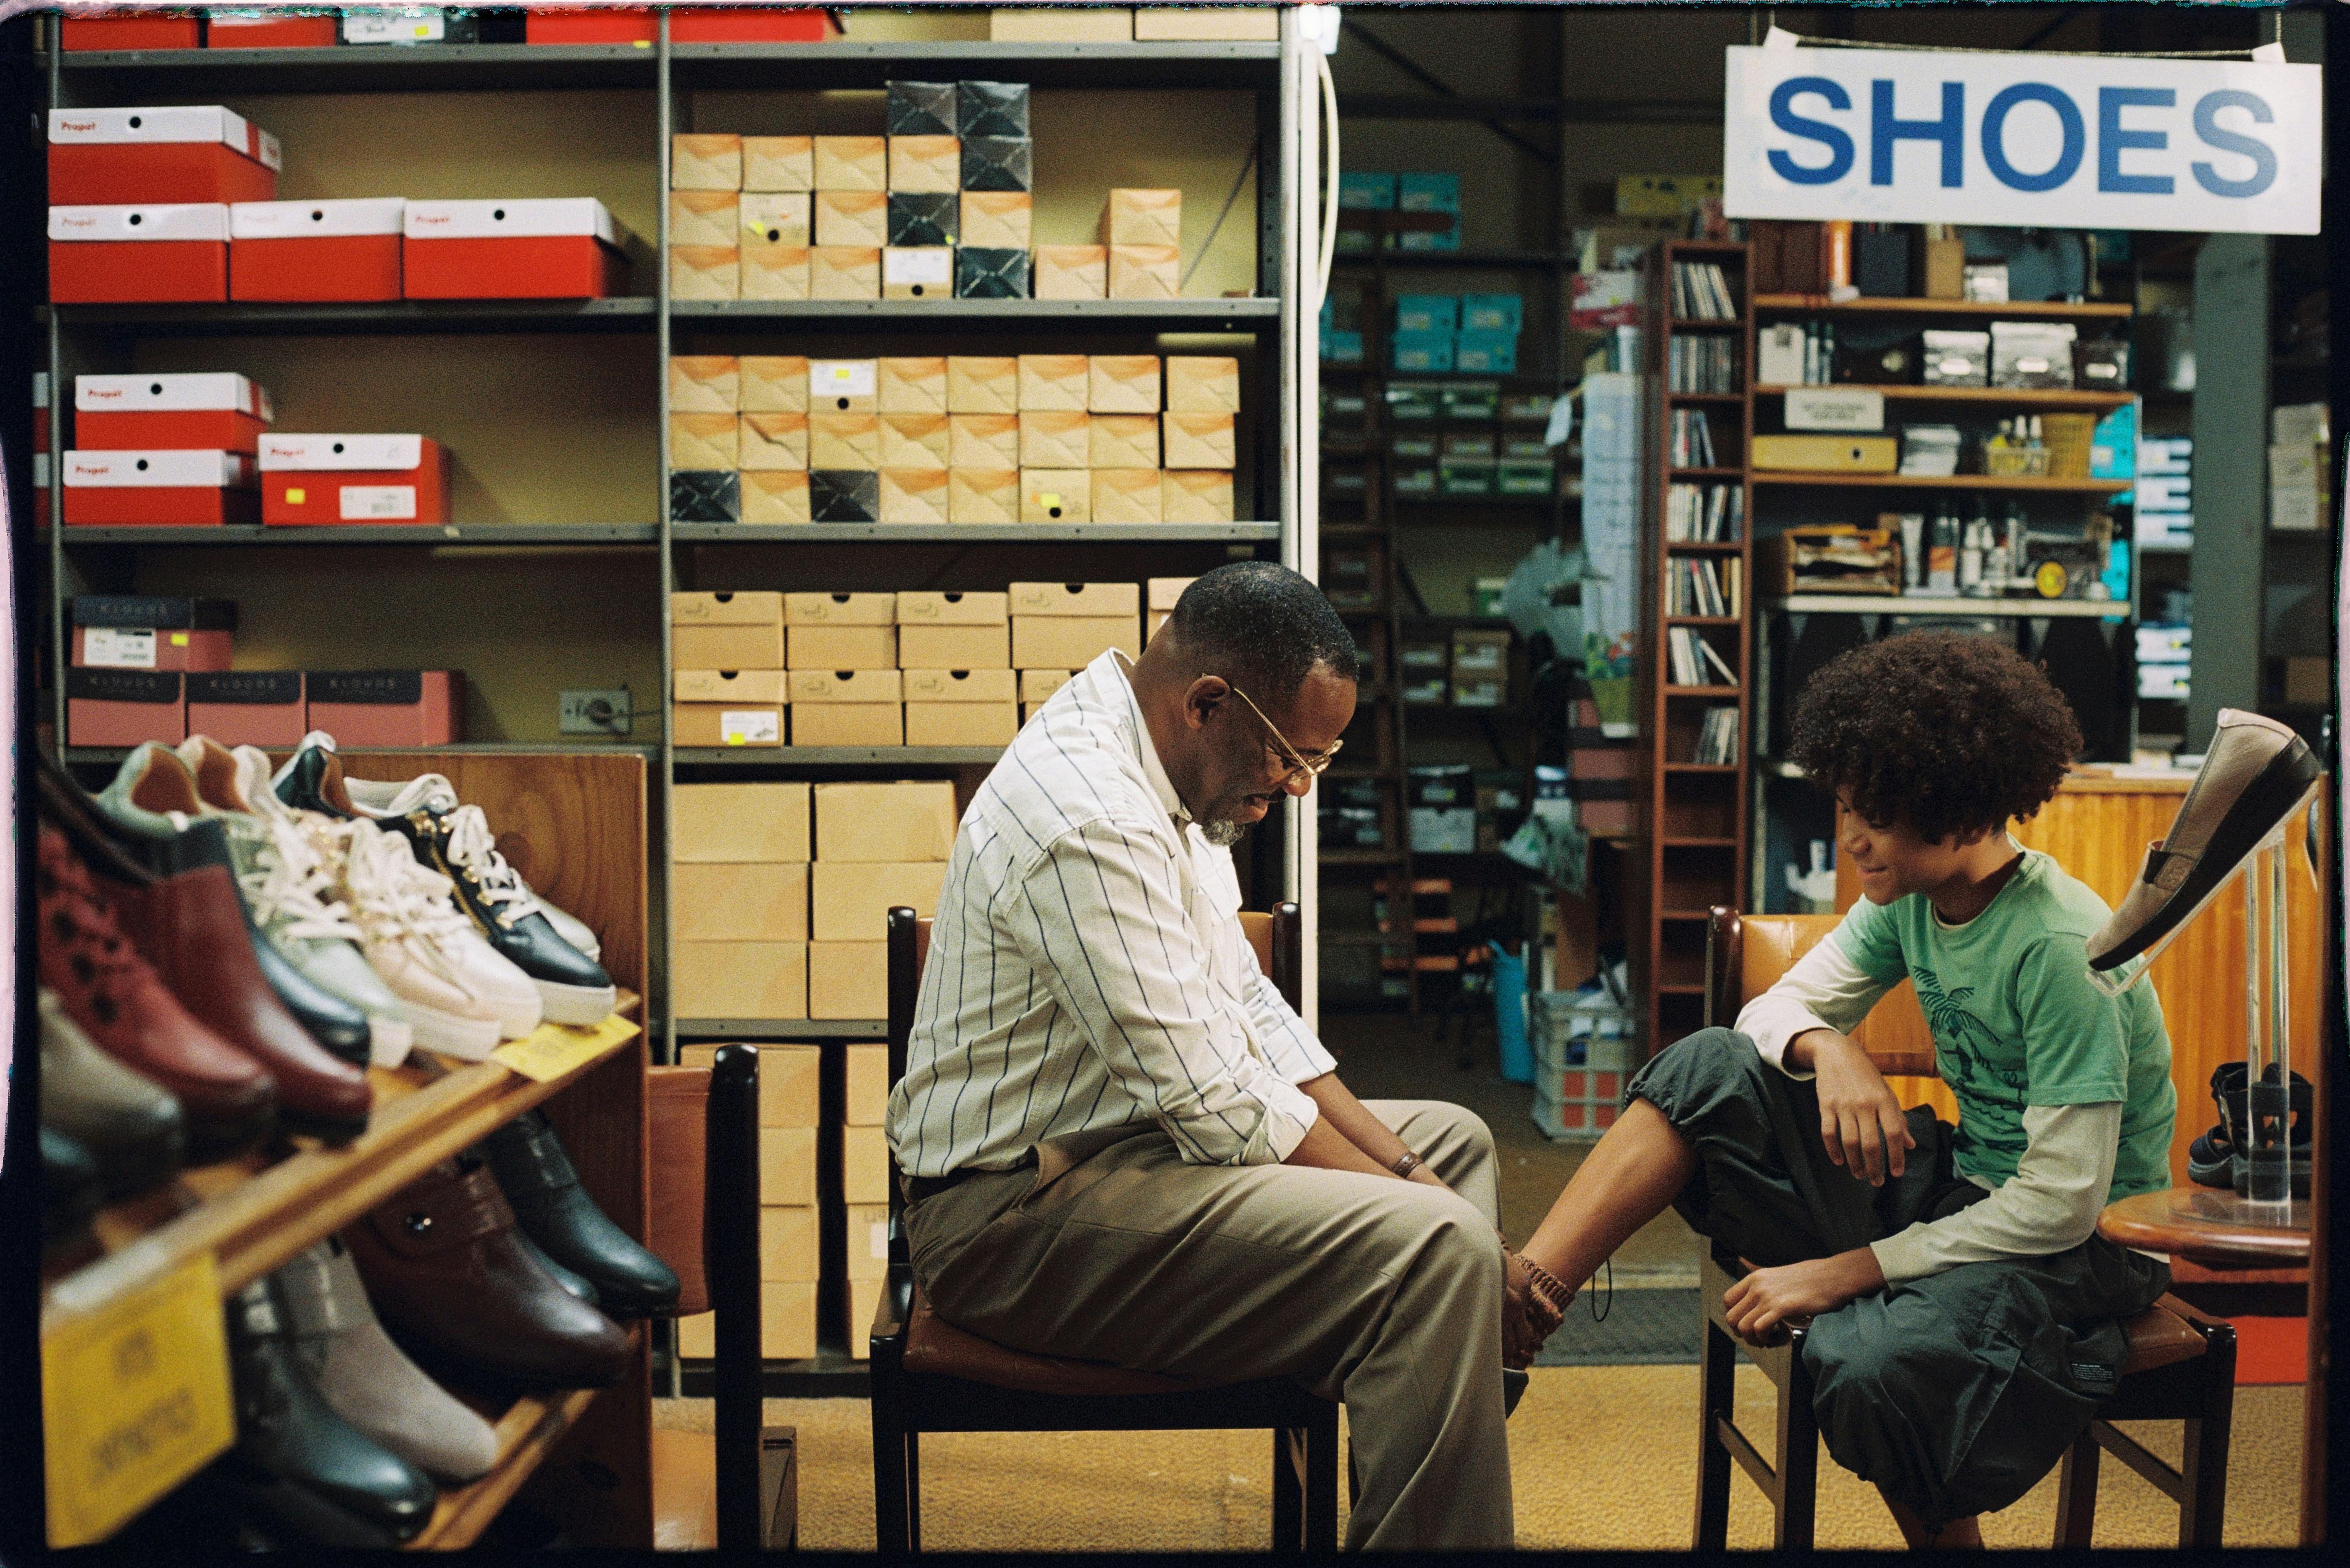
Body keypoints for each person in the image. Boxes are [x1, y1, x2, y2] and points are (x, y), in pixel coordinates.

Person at [886, 562, 1537, 1552]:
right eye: (1292, 757)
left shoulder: (1164, 769)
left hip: (1119, 1154)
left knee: (1455, 1145)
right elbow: (1215, 1100)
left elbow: (1251, 1014)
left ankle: (1414, 1426)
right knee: (1438, 1246)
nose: (1296, 784)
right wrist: (1431, 1218)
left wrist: (1413, 1175)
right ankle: (1428, 1418)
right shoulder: (1092, 815)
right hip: (1007, 1221)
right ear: (1208, 703)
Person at [1510, 632, 2177, 1547]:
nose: (1849, 837)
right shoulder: (1906, 899)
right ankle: (1526, 1306)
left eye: (1874, 815)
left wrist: (1845, 1270)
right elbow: (1771, 1009)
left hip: (2086, 1241)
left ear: (1962, 808)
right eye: (1846, 807)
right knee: (1708, 1067)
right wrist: (1829, 1047)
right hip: (1971, 1189)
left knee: (1862, 1363)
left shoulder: (2063, 948)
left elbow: (2062, 1204)